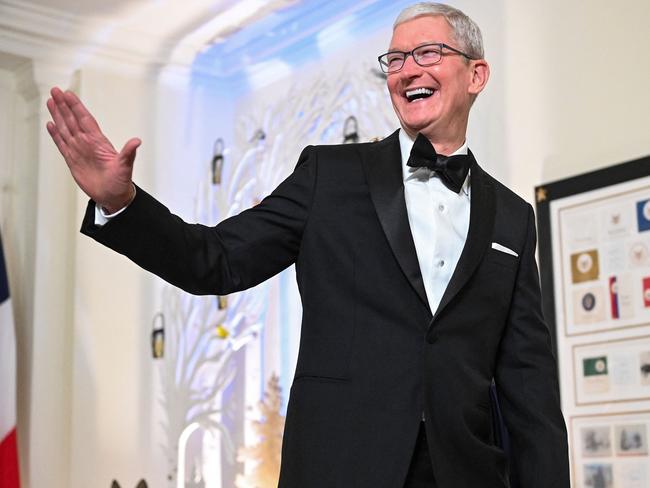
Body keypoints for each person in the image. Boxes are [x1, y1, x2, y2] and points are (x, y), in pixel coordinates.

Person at [46, 2, 570, 487]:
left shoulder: (513, 218)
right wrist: (123, 204)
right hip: (338, 467)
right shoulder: (329, 175)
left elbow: (531, 386)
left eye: (427, 53)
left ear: (476, 73)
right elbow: (216, 261)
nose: (408, 70)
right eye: (395, 59)